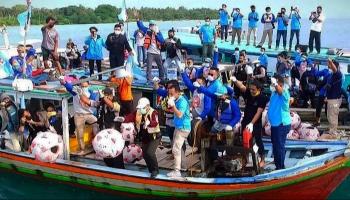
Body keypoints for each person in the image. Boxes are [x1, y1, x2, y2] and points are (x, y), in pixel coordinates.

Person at [121, 98, 161, 178]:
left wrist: (149, 123)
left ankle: (155, 170)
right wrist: (123, 121)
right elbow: (130, 117)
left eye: (142, 108)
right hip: (145, 137)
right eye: (139, 108)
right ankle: (151, 170)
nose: (140, 110)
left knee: (150, 153)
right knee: (145, 154)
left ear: (147, 106)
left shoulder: (153, 112)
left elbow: (155, 122)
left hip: (154, 136)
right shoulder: (138, 112)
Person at [231, 78, 267, 167]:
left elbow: (259, 112)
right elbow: (242, 87)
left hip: (256, 123)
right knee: (245, 141)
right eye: (250, 89)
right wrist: (235, 80)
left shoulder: (262, 98)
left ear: (259, 89)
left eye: (253, 90)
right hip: (245, 121)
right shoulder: (249, 93)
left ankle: (262, 159)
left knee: (258, 141)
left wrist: (251, 123)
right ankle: (246, 158)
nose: (251, 91)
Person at [60, 76, 99, 155]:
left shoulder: (92, 93)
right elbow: (68, 86)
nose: (83, 87)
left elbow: (94, 103)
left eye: (85, 86)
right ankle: (82, 149)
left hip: (89, 114)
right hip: (79, 115)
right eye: (82, 86)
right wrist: (63, 81)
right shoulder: (76, 90)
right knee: (79, 133)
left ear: (88, 85)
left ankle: (96, 145)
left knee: (97, 124)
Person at [166, 83, 191, 178]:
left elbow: (180, 114)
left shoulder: (182, 101)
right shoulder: (177, 100)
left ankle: (177, 171)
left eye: (171, 94)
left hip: (183, 128)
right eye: (169, 94)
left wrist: (173, 106)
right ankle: (178, 168)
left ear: (177, 93)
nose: (170, 96)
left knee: (176, 149)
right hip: (178, 127)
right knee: (175, 148)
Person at [267, 75, 291, 170]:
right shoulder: (274, 93)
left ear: (279, 83)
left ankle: (280, 167)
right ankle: (278, 165)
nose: (272, 85)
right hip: (275, 124)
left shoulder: (284, 92)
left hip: (281, 124)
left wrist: (276, 84)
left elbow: (281, 92)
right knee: (275, 145)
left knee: (279, 146)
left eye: (274, 84)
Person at [320, 60, 343, 139]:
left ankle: (333, 134)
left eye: (329, 65)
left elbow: (334, 69)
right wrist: (326, 97)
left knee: (333, 117)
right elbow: (329, 87)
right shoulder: (331, 75)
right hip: (330, 99)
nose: (328, 66)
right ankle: (332, 131)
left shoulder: (338, 74)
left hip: (334, 100)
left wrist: (330, 62)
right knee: (330, 116)